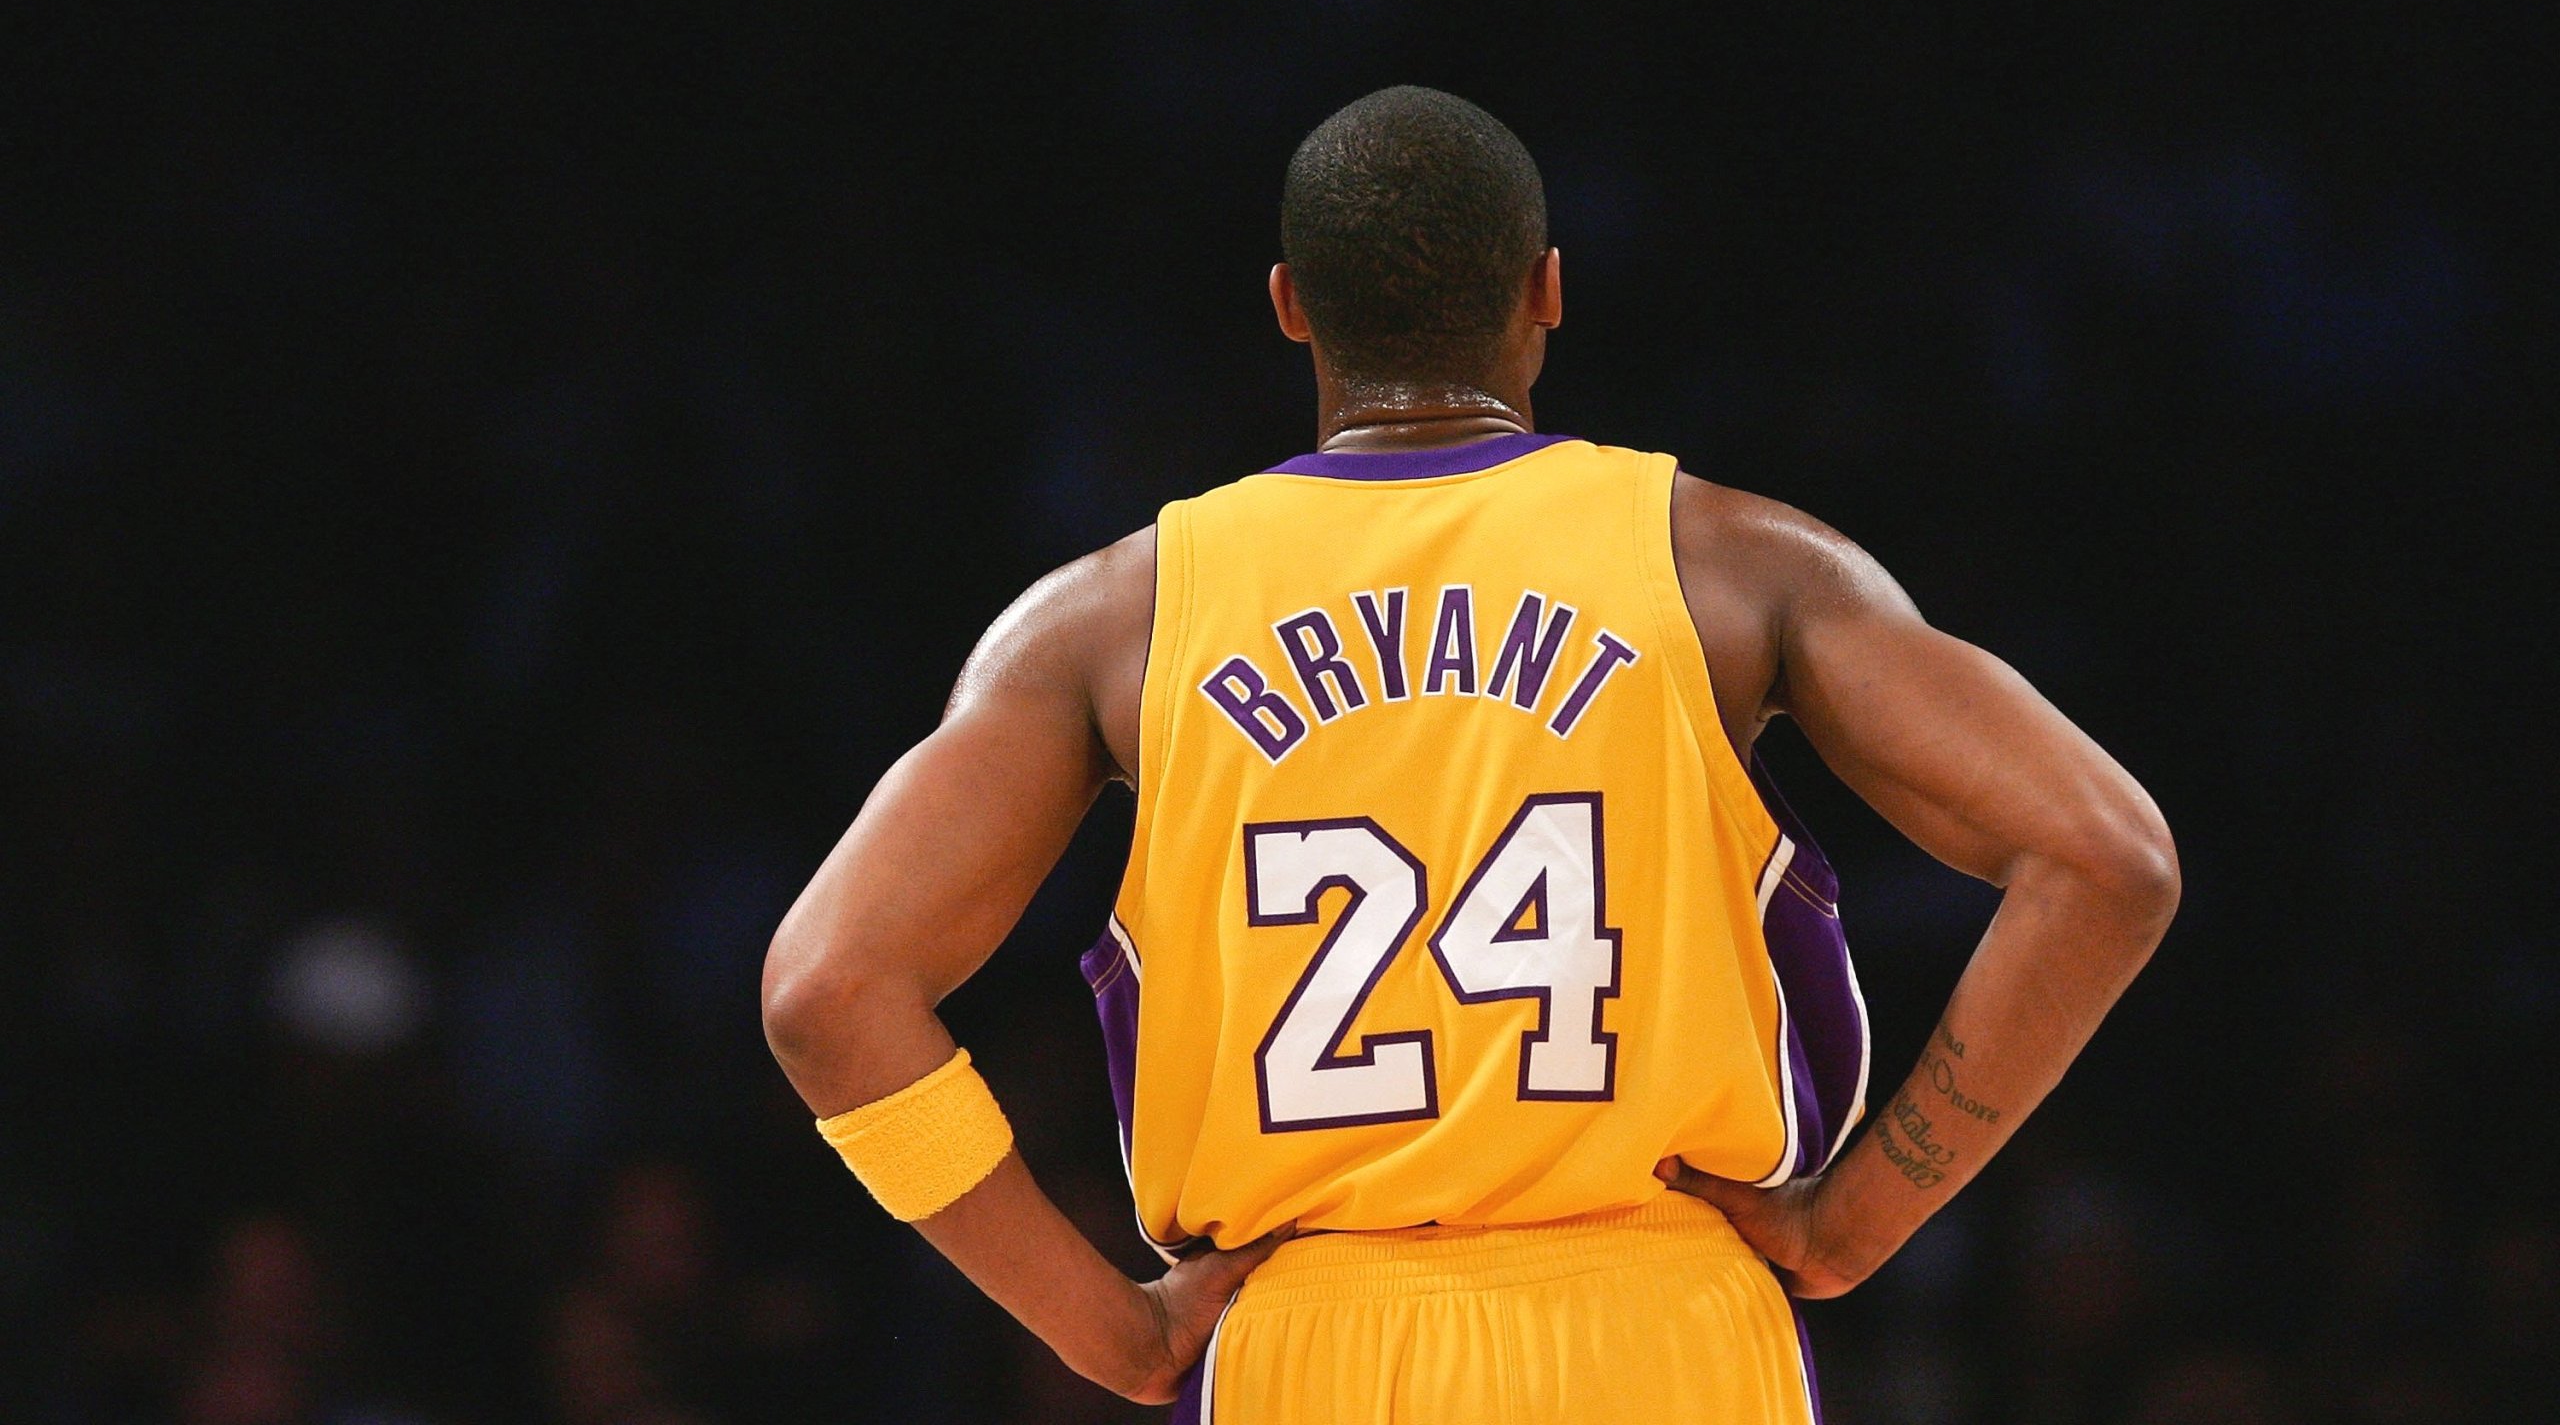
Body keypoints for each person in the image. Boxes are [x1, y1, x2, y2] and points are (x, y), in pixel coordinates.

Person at [760, 85, 2179, 1423]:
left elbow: (831, 993)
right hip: (1669, 1327)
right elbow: (2107, 861)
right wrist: (1864, 1216)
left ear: (1290, 308)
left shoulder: (1111, 621)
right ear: (1548, 289)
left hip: (1312, 1338)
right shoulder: (1730, 566)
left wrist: (1109, 1331)